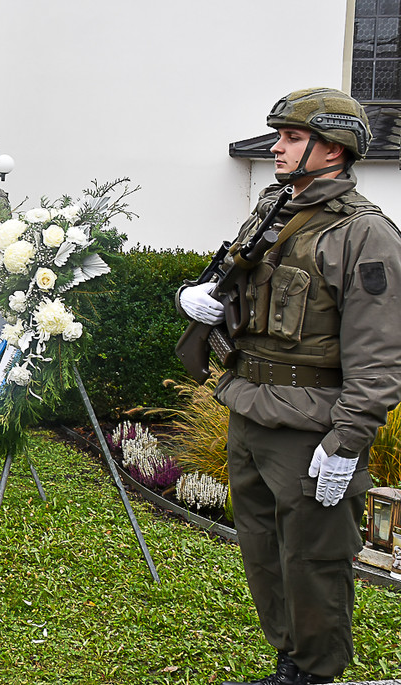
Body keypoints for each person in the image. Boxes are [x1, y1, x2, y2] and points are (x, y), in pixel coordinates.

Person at [177, 88, 401, 685]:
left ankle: (315, 671)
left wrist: (347, 441)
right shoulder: (274, 208)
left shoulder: (364, 234)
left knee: (313, 559)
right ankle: (290, 661)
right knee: (263, 549)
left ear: (334, 149)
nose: (277, 148)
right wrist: (196, 298)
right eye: (280, 136)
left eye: (292, 138)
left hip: (311, 426)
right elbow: (241, 286)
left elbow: (380, 356)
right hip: (249, 407)